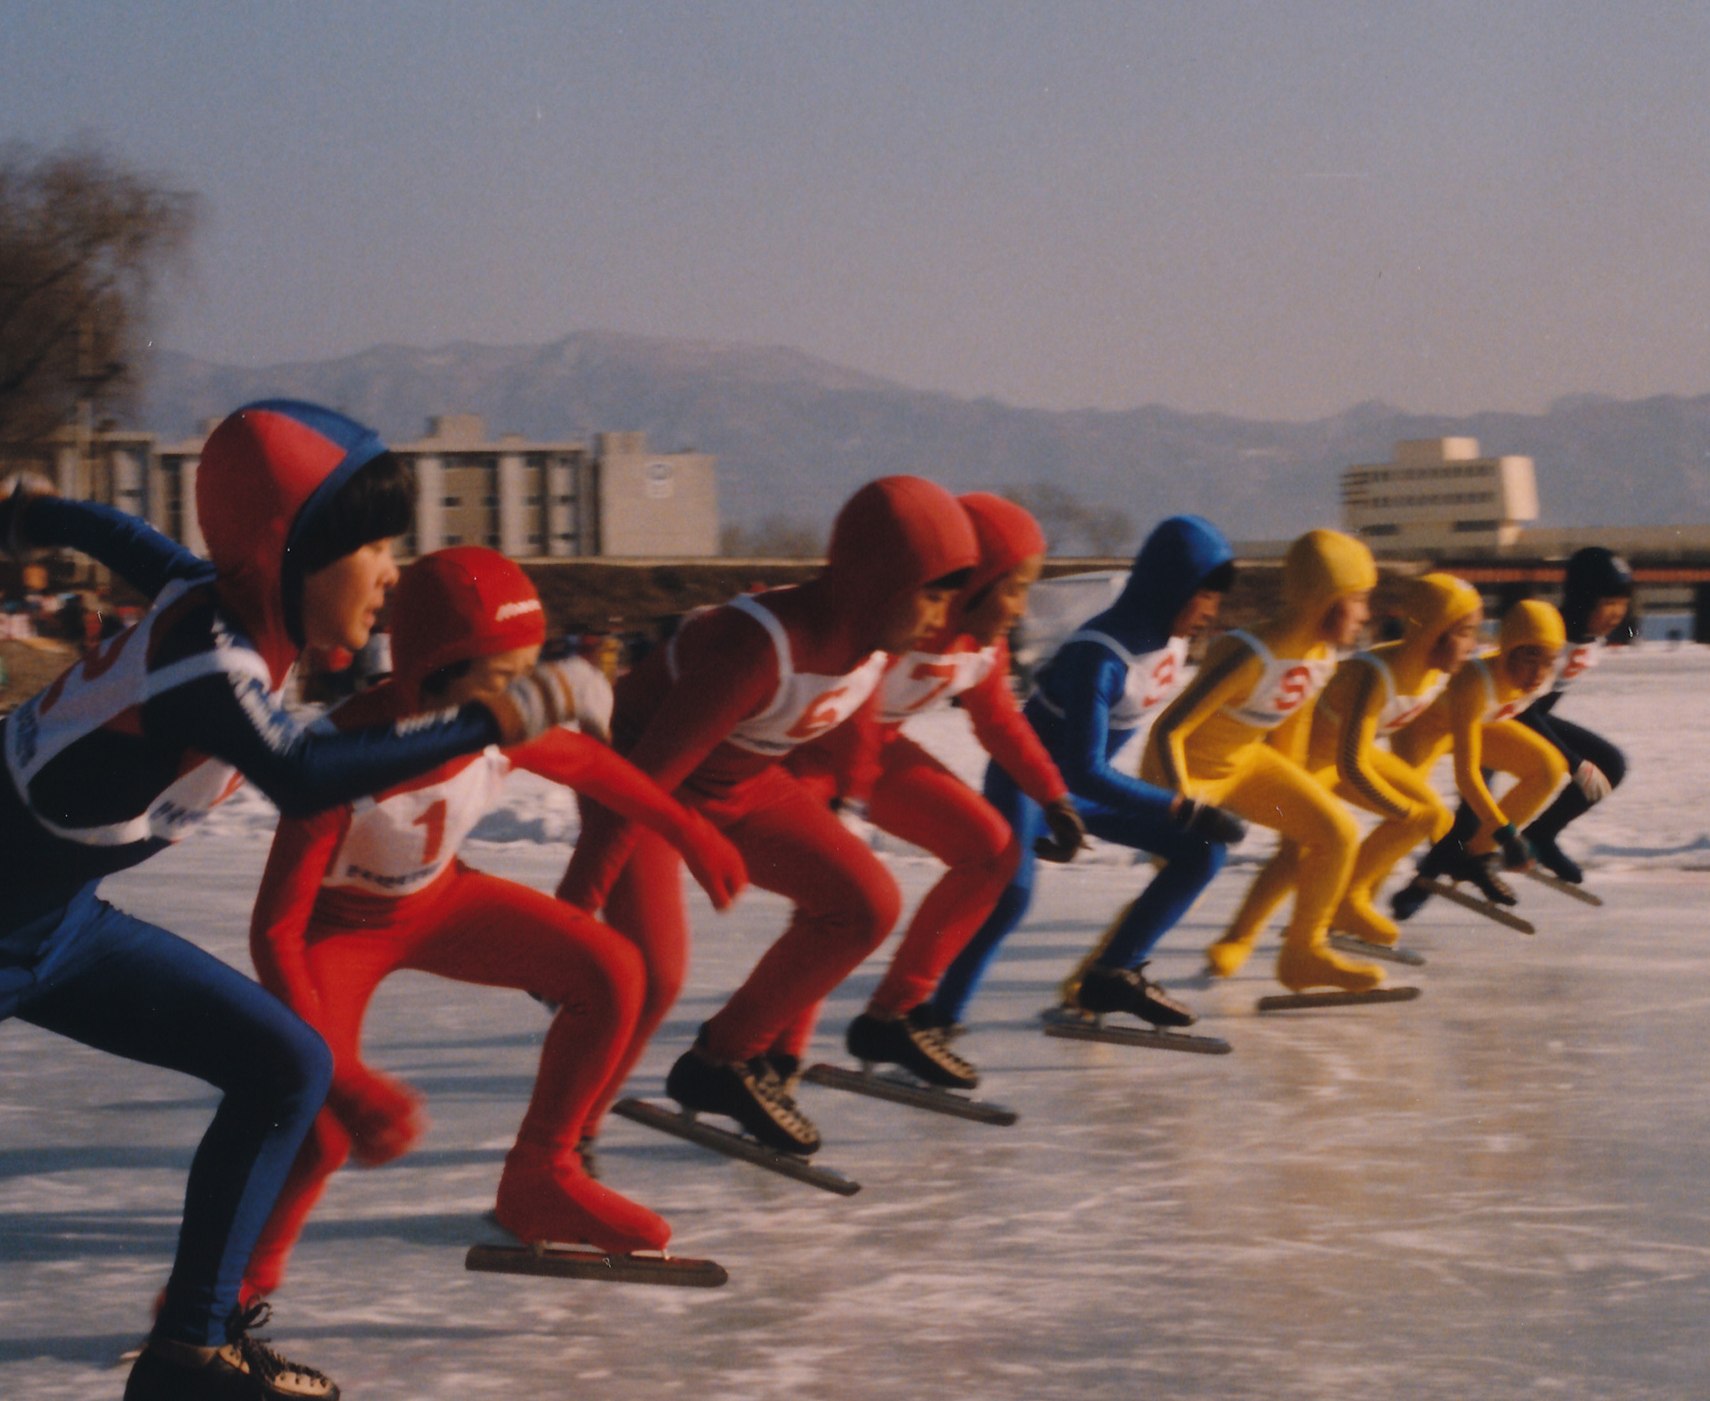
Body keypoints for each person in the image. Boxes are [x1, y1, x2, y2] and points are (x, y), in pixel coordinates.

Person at [0, 402, 564, 1401]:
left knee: (285, 1067)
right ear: (282, 554)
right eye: (372, 546)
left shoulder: (218, 595)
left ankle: (191, 1349)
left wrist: (39, 518)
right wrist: (490, 717)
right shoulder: (211, 664)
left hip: (57, 927)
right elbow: (298, 775)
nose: (392, 572)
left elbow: (133, 543)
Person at [240, 547, 746, 1297]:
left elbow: (590, 766)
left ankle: (543, 1173)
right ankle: (235, 1291)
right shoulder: (338, 758)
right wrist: (344, 1078)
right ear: (433, 674)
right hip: (337, 932)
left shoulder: (495, 717)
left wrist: (687, 829)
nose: (528, 697)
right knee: (321, 1124)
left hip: (441, 900)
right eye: (507, 677)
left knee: (612, 970)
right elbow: (275, 931)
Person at [557, 476, 978, 1158]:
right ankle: (564, 1140)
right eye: (933, 591)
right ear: (882, 580)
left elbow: (844, 730)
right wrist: (573, 915)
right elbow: (639, 789)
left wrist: (845, 798)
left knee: (864, 902)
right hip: (643, 785)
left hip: (739, 782)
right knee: (653, 975)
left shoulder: (873, 645)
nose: (943, 614)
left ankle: (721, 1063)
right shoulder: (756, 647)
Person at [782, 493, 1084, 1086]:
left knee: (992, 850)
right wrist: (850, 798)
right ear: (976, 581)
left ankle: (893, 1015)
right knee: (833, 899)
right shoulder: (904, 618)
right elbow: (856, 711)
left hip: (876, 753)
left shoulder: (982, 645)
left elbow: (999, 722)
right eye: (1016, 588)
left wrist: (1054, 797)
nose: (1021, 610)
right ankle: (775, 1054)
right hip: (804, 752)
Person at [925, 515, 1242, 1035]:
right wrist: (1184, 807)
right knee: (1011, 897)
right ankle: (934, 1019)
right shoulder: (1100, 655)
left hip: (1081, 794)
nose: (1212, 611)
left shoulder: (1169, 637)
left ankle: (1112, 973)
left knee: (1202, 852)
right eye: (1204, 596)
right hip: (1027, 786)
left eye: (1217, 598)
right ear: (1172, 589)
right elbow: (1085, 770)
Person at [1140, 529, 1387, 994]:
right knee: (1185, 869)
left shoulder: (1320, 657)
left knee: (1336, 832)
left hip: (1244, 766)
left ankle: (1302, 954)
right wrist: (1178, 804)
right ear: (1328, 599)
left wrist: (1300, 808)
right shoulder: (1251, 653)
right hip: (1183, 773)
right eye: (1359, 599)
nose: (1366, 614)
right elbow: (1167, 729)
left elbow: (1287, 740)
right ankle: (1097, 975)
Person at [1205, 571, 1481, 972]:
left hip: (1351, 756)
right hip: (1309, 759)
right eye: (1465, 632)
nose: (1473, 645)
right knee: (1297, 852)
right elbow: (1352, 764)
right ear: (1432, 632)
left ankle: (1349, 900)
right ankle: (1238, 938)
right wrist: (1401, 809)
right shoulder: (1375, 674)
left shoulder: (1436, 672)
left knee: (1433, 814)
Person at [1391, 598, 1572, 916]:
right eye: (1530, 657)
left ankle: (1476, 856)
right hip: (1422, 730)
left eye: (1548, 661)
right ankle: (1348, 906)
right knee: (1409, 816)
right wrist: (1508, 834)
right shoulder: (1475, 681)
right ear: (1506, 649)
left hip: (1472, 726)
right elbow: (1467, 776)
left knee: (1549, 768)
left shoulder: (1536, 681)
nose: (1538, 673)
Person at [1495, 547, 1634, 883]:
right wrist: (1573, 761)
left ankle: (1541, 836)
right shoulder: (1550, 634)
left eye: (1622, 602)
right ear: (1583, 598)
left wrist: (1576, 760)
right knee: (1479, 798)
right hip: (1492, 717)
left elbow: (1540, 708)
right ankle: (1434, 871)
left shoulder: (1588, 639)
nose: (1616, 614)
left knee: (1609, 764)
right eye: (1607, 602)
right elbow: (1519, 706)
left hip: (1528, 717)